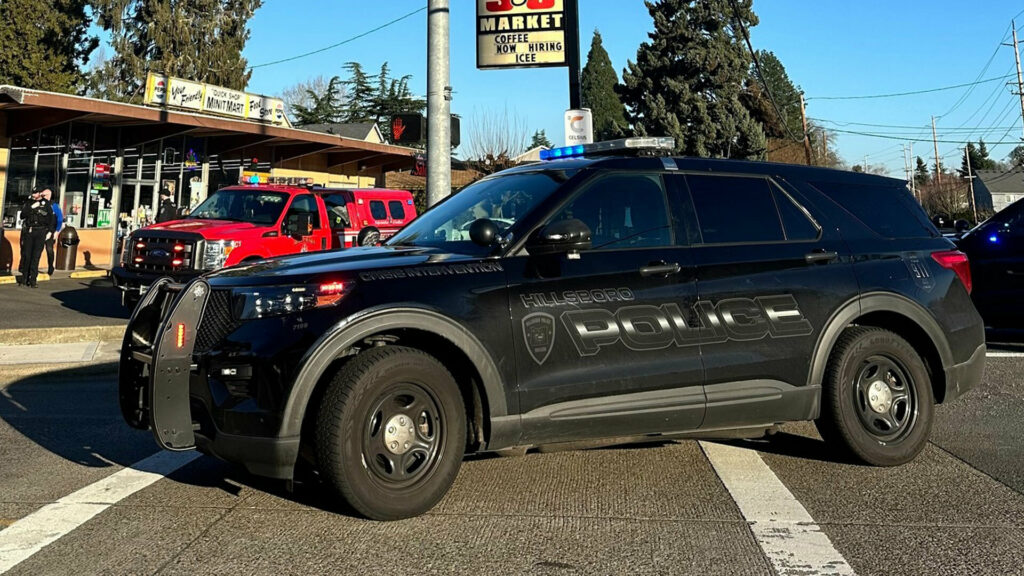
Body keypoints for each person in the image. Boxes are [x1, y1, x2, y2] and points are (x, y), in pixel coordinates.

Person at [19, 189, 55, 288]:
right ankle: (24, 279)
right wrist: (31, 207)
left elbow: (52, 219)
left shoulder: (46, 204)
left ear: (39, 193)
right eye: (33, 193)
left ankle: (33, 280)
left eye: (35, 193)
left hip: (41, 231)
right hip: (30, 231)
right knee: (27, 255)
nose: (33, 194)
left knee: (36, 256)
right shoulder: (29, 203)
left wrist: (50, 232)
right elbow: (22, 216)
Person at [41, 189, 63, 275]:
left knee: (49, 249)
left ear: (49, 195)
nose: (43, 197)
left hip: (51, 231)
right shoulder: (41, 204)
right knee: (37, 250)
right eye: (42, 196)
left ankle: (50, 266)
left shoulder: (54, 206)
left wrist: (57, 231)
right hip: (41, 229)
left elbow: (60, 219)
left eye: (44, 195)